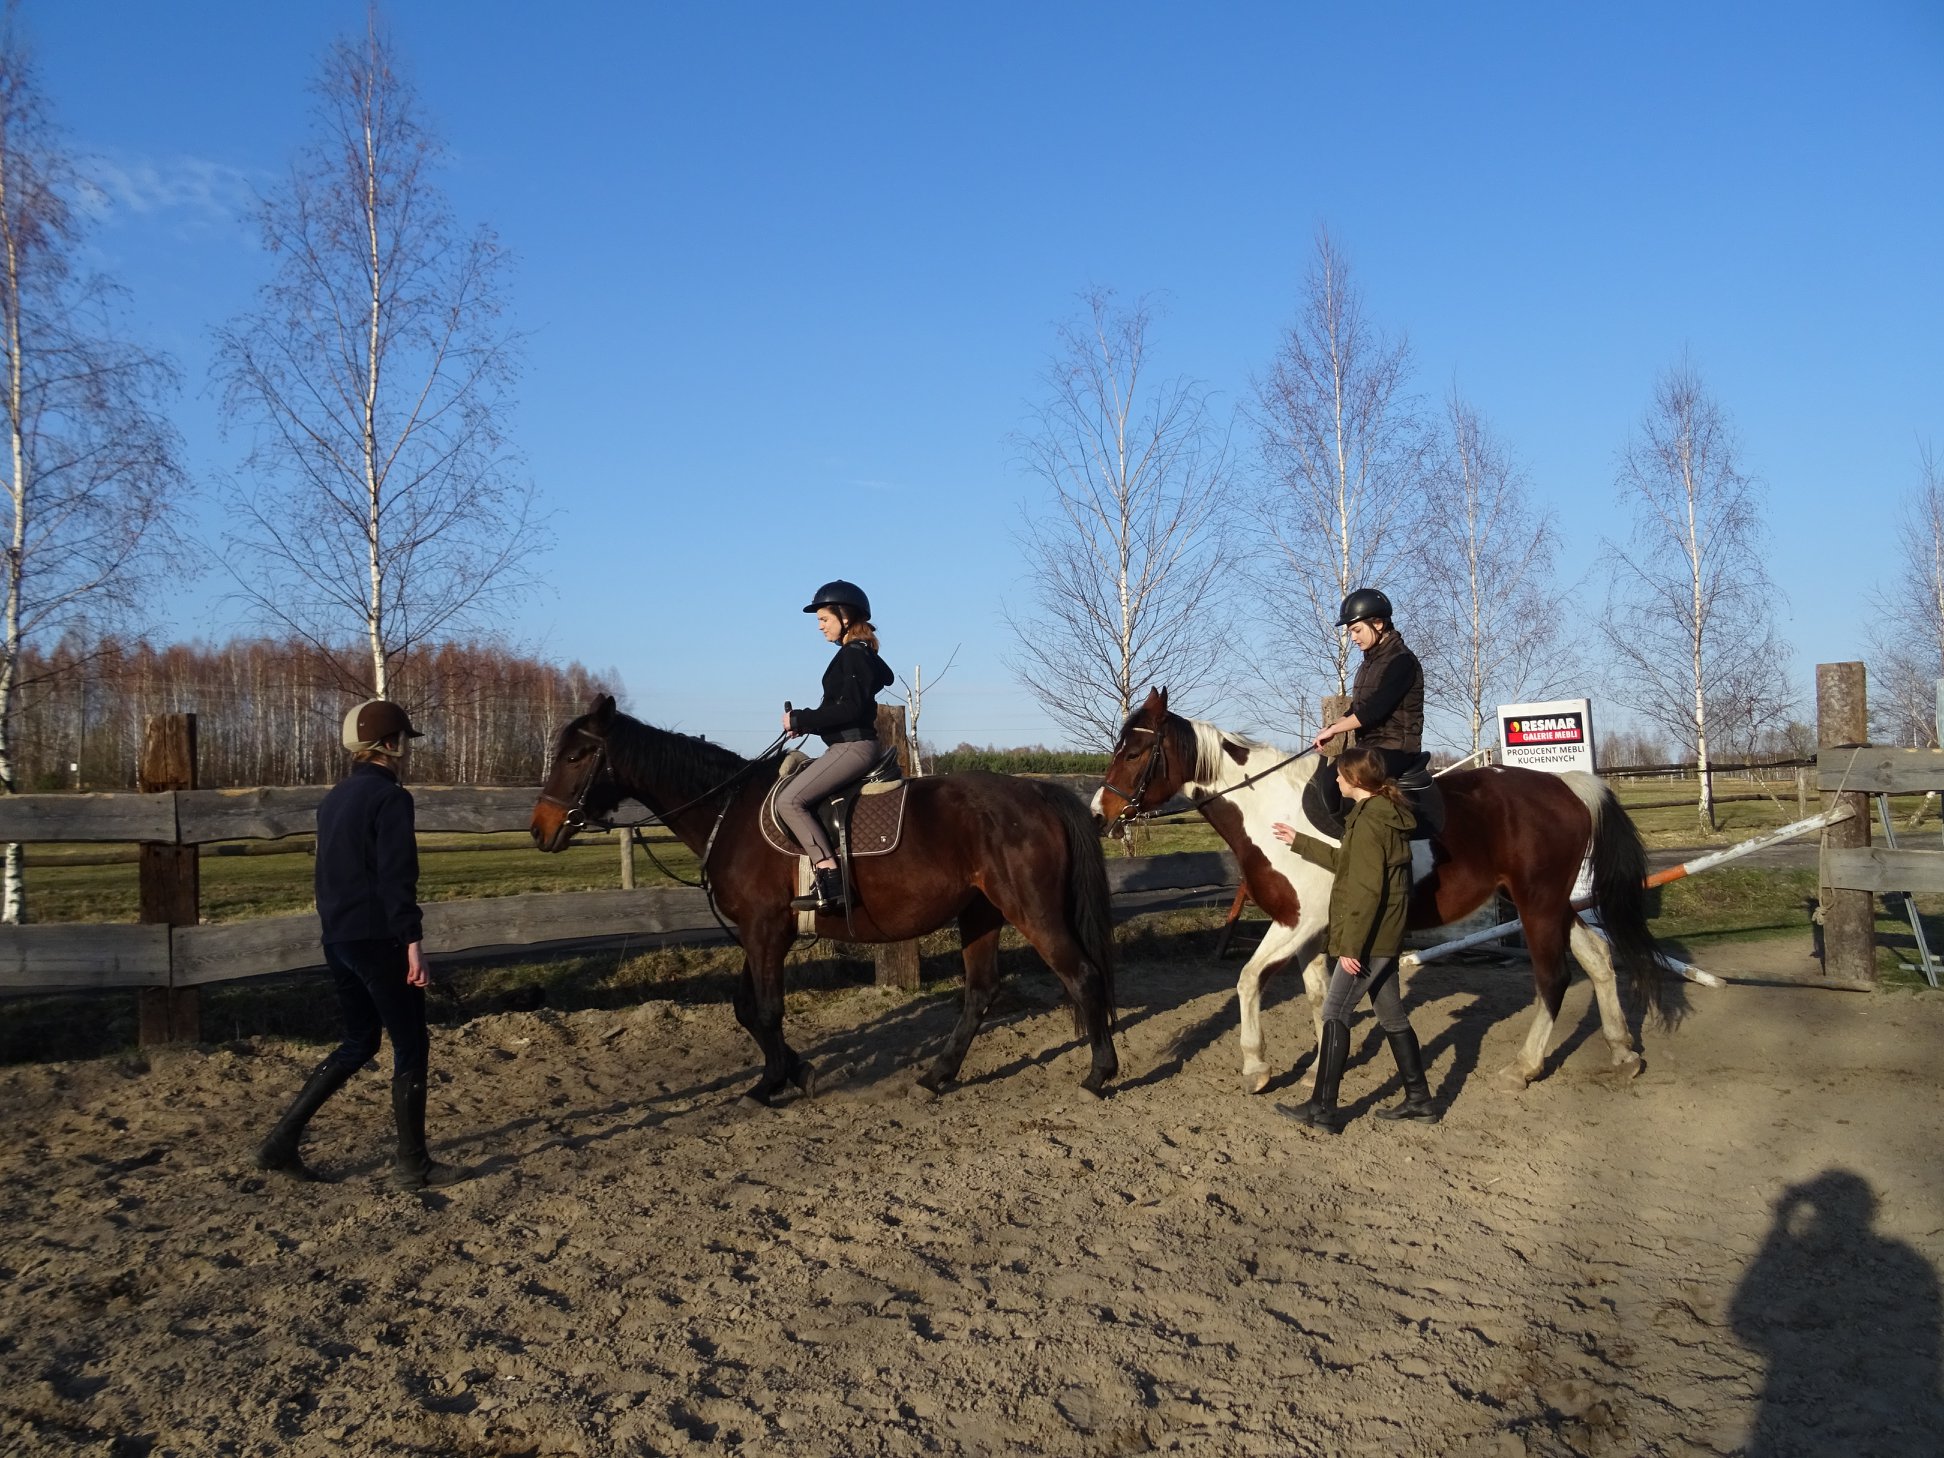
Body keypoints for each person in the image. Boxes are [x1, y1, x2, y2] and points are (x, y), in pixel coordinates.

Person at [255, 698, 463, 1190]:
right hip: (379, 938)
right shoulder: (391, 797)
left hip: (339, 938)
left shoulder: (334, 798)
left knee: (360, 1042)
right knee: (410, 1045)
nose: (407, 748)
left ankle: (280, 1143)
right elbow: (396, 875)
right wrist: (411, 940)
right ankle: (413, 1164)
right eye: (404, 740)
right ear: (390, 743)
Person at [1270, 746, 1438, 1131]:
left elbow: (1366, 892)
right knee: (1391, 1015)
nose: (1336, 780)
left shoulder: (1369, 824)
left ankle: (1323, 1109)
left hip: (1370, 939)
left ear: (1356, 780)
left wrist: (1351, 948)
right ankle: (1420, 1101)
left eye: (1341, 775)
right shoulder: (1380, 814)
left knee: (1334, 1013)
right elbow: (1348, 864)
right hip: (1385, 934)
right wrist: (1300, 841)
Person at [777, 580, 895, 913]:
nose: (820, 626)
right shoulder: (858, 654)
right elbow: (843, 712)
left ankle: (830, 876)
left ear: (845, 617)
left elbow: (851, 710)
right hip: (845, 745)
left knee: (789, 800)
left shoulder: (853, 655)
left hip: (852, 747)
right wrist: (808, 725)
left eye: (824, 619)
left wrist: (800, 717)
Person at [1311, 587, 1424, 780]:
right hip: (1370, 747)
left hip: (1396, 749)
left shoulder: (1402, 661)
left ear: (1378, 624)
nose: (1353, 638)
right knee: (1328, 780)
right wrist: (1331, 728)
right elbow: (1359, 707)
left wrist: (1336, 729)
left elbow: (1375, 710)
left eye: (1357, 630)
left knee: (1339, 780)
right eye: (1350, 632)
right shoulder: (1370, 663)